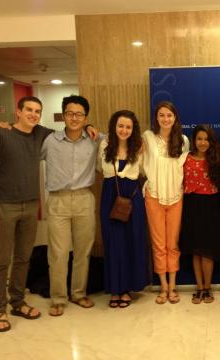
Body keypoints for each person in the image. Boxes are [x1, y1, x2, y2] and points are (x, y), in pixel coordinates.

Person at [0, 96, 52, 332]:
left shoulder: (40, 134)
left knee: (23, 258)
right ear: (18, 112)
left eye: (37, 111)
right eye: (29, 110)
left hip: (31, 205)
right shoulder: (1, 135)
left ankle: (18, 302)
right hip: (3, 206)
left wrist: (90, 127)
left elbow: (69, 131)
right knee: (1, 260)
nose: (33, 114)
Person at [41, 95, 99, 316]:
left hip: (84, 198)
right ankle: (58, 298)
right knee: (58, 252)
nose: (74, 118)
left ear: (86, 117)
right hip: (58, 200)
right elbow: (26, 146)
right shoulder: (49, 140)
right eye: (70, 113)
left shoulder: (94, 139)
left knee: (83, 251)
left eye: (79, 114)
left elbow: (121, 140)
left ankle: (78, 293)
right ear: (63, 115)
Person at [97, 110, 150, 308]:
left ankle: (127, 289)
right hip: (110, 197)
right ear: (114, 126)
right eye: (120, 126)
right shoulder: (104, 145)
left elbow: (144, 172)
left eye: (128, 127)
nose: (124, 130)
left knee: (131, 241)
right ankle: (115, 289)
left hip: (132, 198)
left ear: (133, 129)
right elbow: (100, 169)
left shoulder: (139, 147)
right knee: (113, 243)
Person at [142, 101, 189, 304]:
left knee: (173, 244)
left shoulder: (183, 141)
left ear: (175, 117)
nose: (165, 119)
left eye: (169, 115)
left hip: (176, 196)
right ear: (156, 118)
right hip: (153, 195)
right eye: (161, 115)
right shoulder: (148, 137)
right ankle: (162, 286)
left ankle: (173, 286)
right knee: (158, 244)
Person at [179, 125, 220, 304]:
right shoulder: (185, 159)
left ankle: (208, 288)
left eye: (206, 139)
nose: (203, 142)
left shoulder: (215, 159)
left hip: (210, 205)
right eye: (199, 139)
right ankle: (199, 288)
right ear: (193, 140)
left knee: (207, 251)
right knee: (195, 250)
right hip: (191, 205)